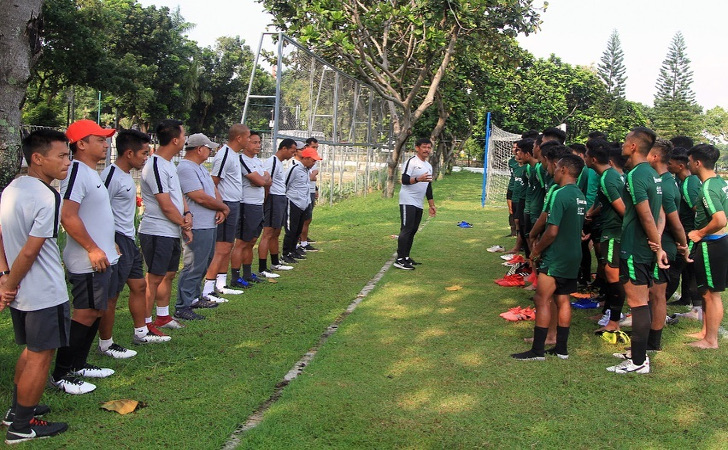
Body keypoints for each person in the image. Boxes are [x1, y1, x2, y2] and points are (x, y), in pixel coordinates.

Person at [0, 130, 71, 443]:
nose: (68, 162)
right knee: (41, 355)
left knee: (31, 351)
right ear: (38, 158)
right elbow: (30, 250)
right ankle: (21, 426)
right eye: (62, 156)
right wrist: (8, 285)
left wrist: (5, 276)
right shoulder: (47, 196)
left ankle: (16, 412)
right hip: (42, 290)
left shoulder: (13, 188)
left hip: (22, 291)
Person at [50, 119, 119, 395]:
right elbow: (68, 215)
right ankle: (62, 373)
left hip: (101, 257)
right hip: (87, 259)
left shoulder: (91, 172)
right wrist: (92, 248)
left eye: (105, 139)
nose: (105, 144)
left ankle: (79, 364)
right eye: (100, 139)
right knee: (86, 312)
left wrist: (109, 245)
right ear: (81, 144)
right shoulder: (77, 171)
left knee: (96, 311)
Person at [99, 129, 169, 355]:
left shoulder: (126, 174)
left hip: (129, 239)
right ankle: (106, 344)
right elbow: (100, 210)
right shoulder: (110, 176)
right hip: (117, 240)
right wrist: (109, 241)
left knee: (139, 286)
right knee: (112, 295)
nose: (146, 158)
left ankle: (141, 332)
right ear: (128, 153)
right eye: (143, 153)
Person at [511, 154, 586, 360]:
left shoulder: (561, 194)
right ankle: (561, 349)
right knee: (563, 300)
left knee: (541, 299)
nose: (553, 170)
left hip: (557, 256)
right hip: (573, 255)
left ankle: (537, 351)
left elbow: (552, 231)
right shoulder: (580, 195)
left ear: (564, 170)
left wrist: (536, 251)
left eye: (557, 166)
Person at [607, 127, 667, 374]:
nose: (622, 143)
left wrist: (657, 246)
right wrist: (657, 243)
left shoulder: (634, 175)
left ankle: (638, 362)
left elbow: (645, 215)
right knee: (640, 300)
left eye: (625, 139)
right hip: (644, 246)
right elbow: (660, 214)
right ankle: (637, 352)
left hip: (634, 247)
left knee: (638, 303)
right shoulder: (652, 174)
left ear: (633, 146)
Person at [138, 119, 192, 335]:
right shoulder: (156, 165)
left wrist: (187, 214)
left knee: (168, 274)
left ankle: (162, 316)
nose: (185, 140)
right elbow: (165, 203)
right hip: (156, 230)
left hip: (171, 230)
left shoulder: (170, 164)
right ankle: (145, 323)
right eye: (184, 135)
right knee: (154, 278)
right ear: (176, 140)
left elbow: (178, 196)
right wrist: (184, 224)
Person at [174, 134, 230, 320]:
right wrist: (222, 207)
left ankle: (194, 297)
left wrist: (220, 207)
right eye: (208, 148)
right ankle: (183, 305)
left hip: (208, 223)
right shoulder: (185, 168)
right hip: (196, 225)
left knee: (204, 262)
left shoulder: (200, 168)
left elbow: (212, 191)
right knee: (193, 265)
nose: (211, 151)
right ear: (199, 149)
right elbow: (198, 196)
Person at [647, 139, 688, 351]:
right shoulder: (659, 180)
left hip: (663, 247)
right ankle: (649, 334)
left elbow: (674, 221)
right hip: (659, 245)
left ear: (655, 156)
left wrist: (683, 245)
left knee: (657, 294)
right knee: (653, 293)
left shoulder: (665, 184)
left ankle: (653, 342)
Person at [685, 144, 728, 349]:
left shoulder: (708, 187)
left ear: (697, 162)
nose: (688, 165)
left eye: (690, 161)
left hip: (712, 244)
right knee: (706, 292)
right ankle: (705, 331)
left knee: (712, 294)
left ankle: (711, 340)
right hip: (716, 243)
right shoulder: (719, 182)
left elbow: (719, 219)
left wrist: (699, 233)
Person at [202, 124, 249, 296]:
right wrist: (220, 206)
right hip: (226, 204)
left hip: (234, 203)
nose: (249, 140)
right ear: (239, 138)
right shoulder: (225, 155)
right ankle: (208, 289)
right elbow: (213, 181)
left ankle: (221, 284)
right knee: (221, 247)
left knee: (228, 245)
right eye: (247, 136)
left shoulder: (235, 155)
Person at [584, 139, 625, 333]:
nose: (583, 158)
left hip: (614, 232)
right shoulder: (606, 177)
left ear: (592, 159)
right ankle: (608, 312)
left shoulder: (609, 178)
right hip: (609, 229)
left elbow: (622, 209)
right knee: (608, 274)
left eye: (585, 155)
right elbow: (605, 202)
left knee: (613, 276)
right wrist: (592, 213)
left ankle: (615, 320)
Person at [230, 131, 272, 283]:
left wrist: (261, 180)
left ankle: (247, 274)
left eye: (259, 142)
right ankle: (235, 277)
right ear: (245, 143)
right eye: (254, 142)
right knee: (241, 242)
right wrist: (261, 180)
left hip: (258, 204)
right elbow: (261, 181)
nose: (258, 145)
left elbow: (267, 179)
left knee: (252, 241)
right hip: (246, 205)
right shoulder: (242, 160)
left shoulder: (258, 161)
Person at [666, 147, 701, 311]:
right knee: (686, 269)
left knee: (679, 267)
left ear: (680, 166)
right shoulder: (682, 181)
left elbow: (697, 209)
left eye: (670, 163)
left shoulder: (689, 184)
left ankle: (660, 300)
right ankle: (687, 299)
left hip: (688, 233)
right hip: (685, 231)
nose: (667, 165)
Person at [394, 138, 437, 270]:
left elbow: (428, 187)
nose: (427, 150)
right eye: (424, 147)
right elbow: (404, 180)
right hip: (408, 200)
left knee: (413, 229)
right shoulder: (411, 162)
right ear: (417, 148)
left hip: (418, 202)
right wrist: (418, 179)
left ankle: (406, 256)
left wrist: (431, 205)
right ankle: (400, 259)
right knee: (406, 229)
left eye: (429, 147)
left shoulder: (428, 166)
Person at [258, 139, 299, 275]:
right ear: (284, 148)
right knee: (268, 233)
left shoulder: (280, 163)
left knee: (276, 233)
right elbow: (266, 182)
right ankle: (262, 268)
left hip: (280, 198)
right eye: (292, 151)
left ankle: (275, 262)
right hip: (273, 198)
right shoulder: (272, 162)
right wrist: (266, 200)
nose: (293, 154)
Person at [282, 146, 322, 263]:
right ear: (306, 158)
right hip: (293, 202)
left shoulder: (306, 170)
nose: (314, 163)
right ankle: (285, 254)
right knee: (291, 230)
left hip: (303, 204)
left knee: (298, 229)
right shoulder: (294, 169)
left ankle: (293, 250)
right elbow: (285, 184)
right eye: (313, 160)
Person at [299, 137, 320, 252]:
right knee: (304, 219)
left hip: (310, 191)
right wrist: (313, 175)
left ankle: (303, 239)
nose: (315, 149)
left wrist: (315, 188)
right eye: (313, 147)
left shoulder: (312, 161)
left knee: (308, 218)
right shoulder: (297, 166)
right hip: (300, 196)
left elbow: (313, 177)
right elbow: (310, 177)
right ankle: (301, 241)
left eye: (317, 147)